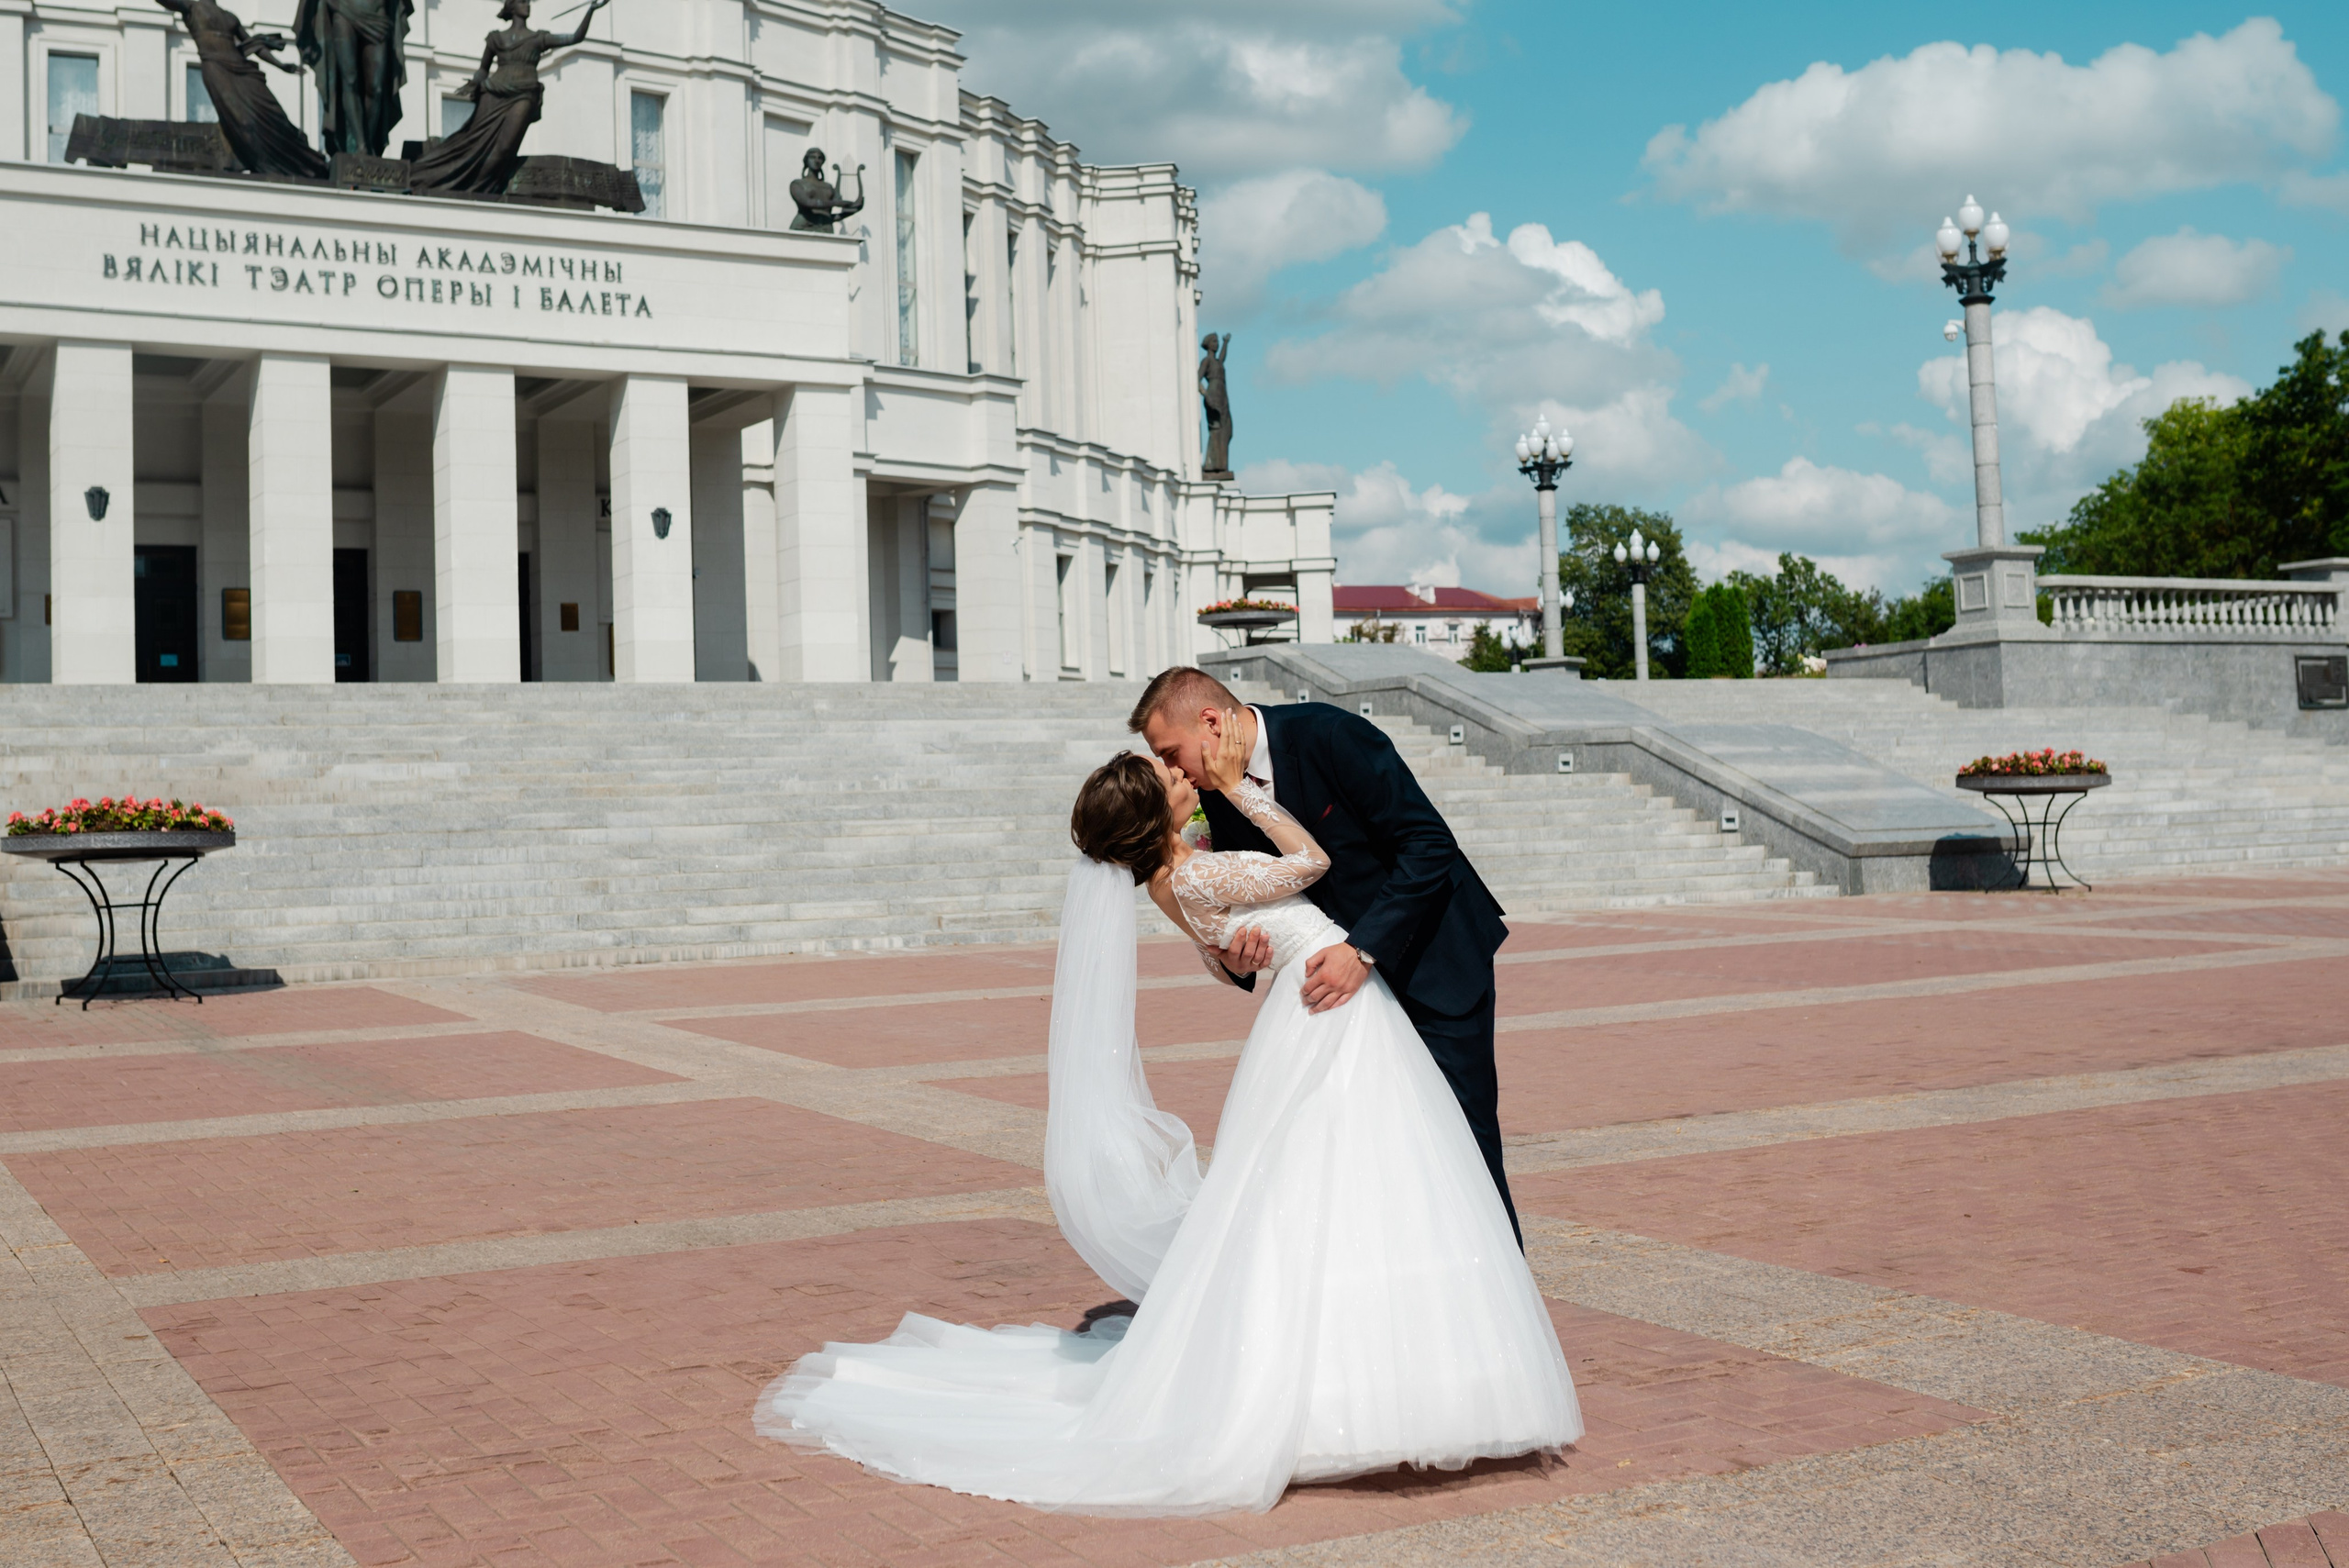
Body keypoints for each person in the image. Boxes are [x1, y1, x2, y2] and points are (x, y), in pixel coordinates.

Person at [755, 718, 1579, 1515]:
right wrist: (1239, 789)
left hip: (1314, 1006)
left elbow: (1222, 936)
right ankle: (1374, 1385)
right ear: (1156, 813)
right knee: (1359, 1179)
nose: (1185, 776)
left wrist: (1223, 938)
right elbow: (1311, 861)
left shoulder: (1174, 877)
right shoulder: (1196, 874)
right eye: (1169, 775)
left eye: (1172, 761)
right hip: (1329, 1009)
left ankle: (1381, 1373)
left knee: (1327, 1188)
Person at [1135, 666, 1522, 1242]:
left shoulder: (1329, 734)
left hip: (1431, 964)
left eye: (1171, 752)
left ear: (1211, 722)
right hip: (1337, 1004)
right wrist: (1235, 959)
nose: (1172, 769)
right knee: (1372, 1156)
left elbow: (1428, 844)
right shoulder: (1215, 791)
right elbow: (1249, 898)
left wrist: (1362, 950)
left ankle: (1499, 1284)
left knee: (1464, 1145)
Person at [409, 0, 606, 196]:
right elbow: (483, 69)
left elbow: (575, 37)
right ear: (512, 7)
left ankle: (480, 188)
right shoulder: (496, 38)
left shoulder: (538, 38)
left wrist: (591, 10)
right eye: (523, 2)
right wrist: (475, 82)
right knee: (472, 141)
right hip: (494, 92)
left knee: (505, 147)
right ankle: (445, 180)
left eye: (528, 2)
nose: (528, 5)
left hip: (524, 94)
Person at [154, 0, 328, 180]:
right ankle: (265, 163)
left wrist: (281, 65)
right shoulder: (192, 7)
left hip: (242, 68)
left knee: (273, 112)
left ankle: (301, 162)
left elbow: (255, 45)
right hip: (217, 68)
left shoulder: (230, 17)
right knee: (243, 121)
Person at [292, 0, 413, 159]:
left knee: (376, 88)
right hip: (344, 11)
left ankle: (368, 141)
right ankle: (362, 146)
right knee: (349, 80)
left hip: (377, 14)